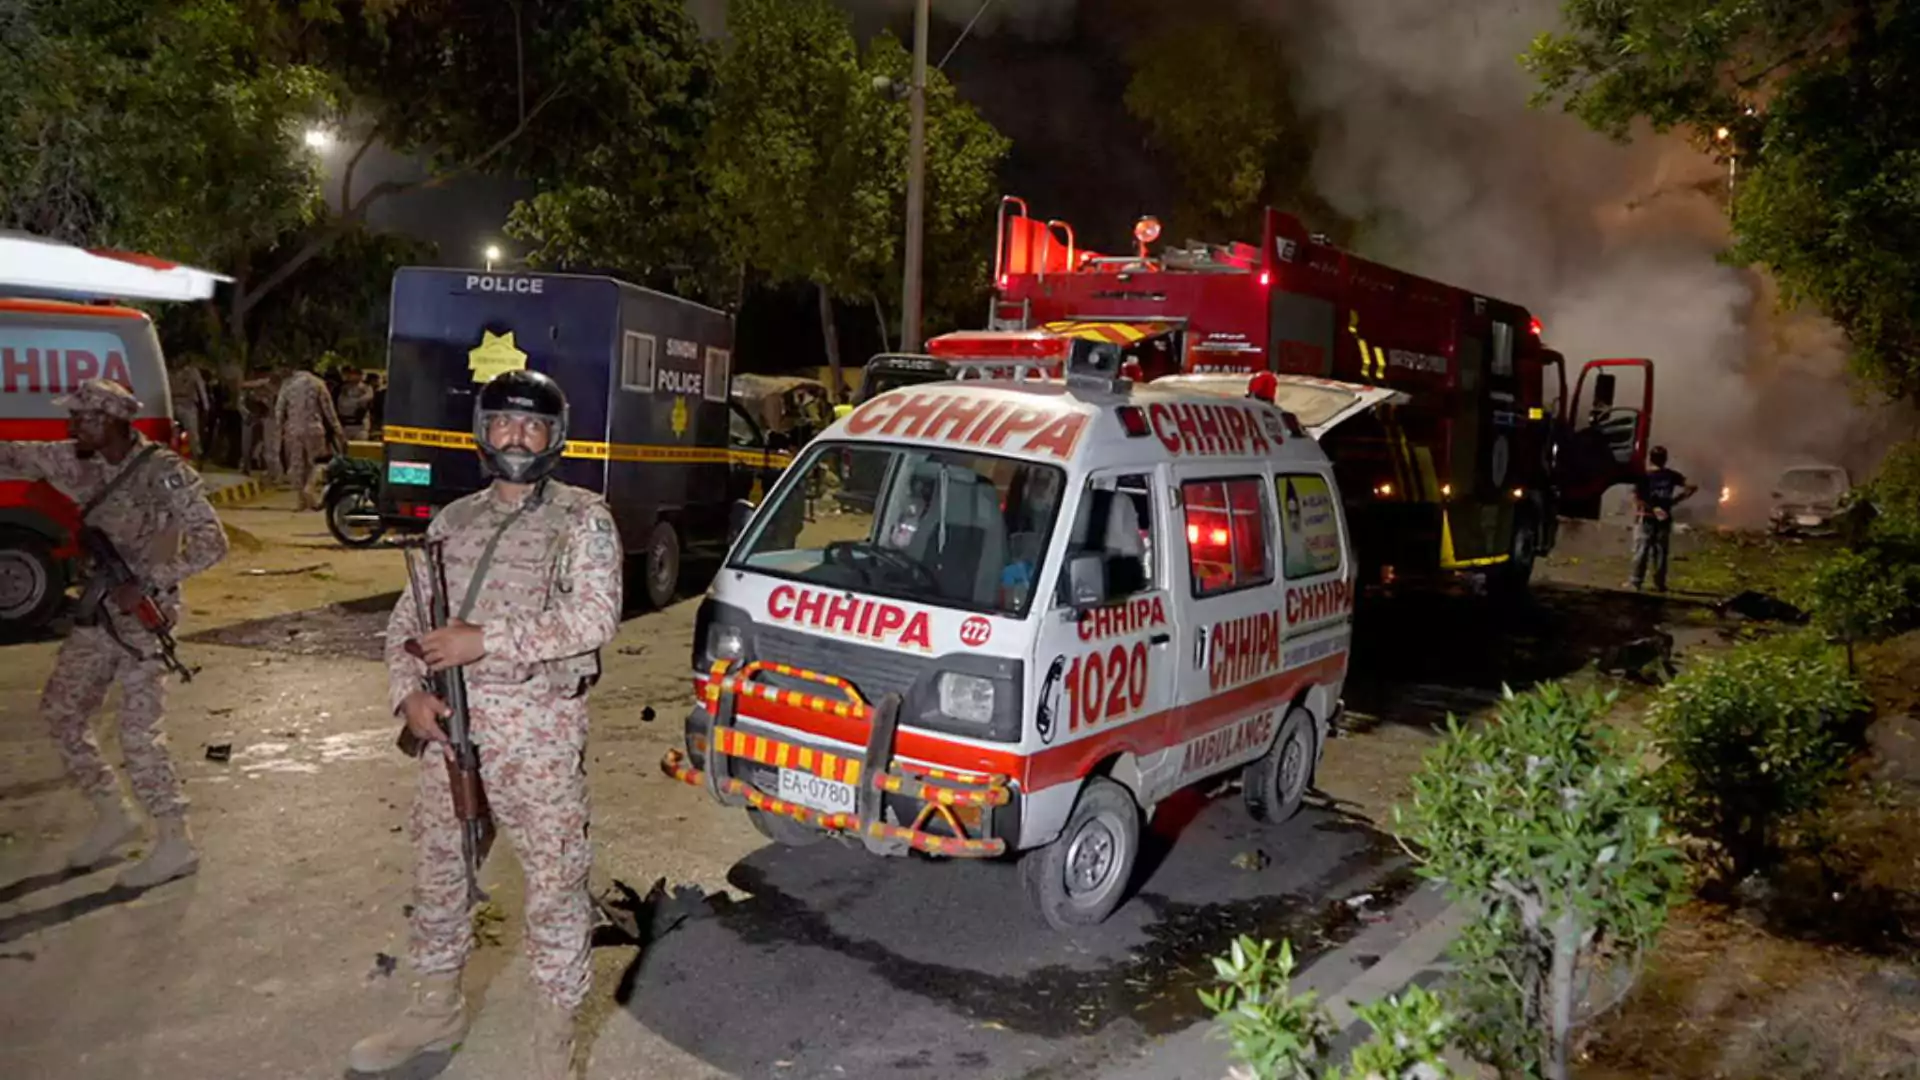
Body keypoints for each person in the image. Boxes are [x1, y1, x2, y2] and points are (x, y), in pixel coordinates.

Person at [350, 369, 622, 1080]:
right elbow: (408, 620)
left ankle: (552, 1048)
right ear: (483, 429)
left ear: (554, 437)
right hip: (449, 730)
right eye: (504, 422)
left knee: (556, 889)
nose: (517, 437)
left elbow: (595, 617)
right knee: (441, 877)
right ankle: (434, 1010)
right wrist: (407, 694)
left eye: (532, 426)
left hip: (537, 732)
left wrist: (487, 639)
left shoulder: (582, 518)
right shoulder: (454, 521)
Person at [0, 379, 228, 886]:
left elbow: (215, 543)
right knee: (61, 710)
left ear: (108, 421)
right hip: (99, 611)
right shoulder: (75, 461)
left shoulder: (164, 473)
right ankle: (113, 812)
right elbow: (14, 456)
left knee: (137, 732)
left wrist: (150, 579)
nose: (70, 425)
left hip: (148, 615)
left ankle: (175, 840)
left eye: (80, 417)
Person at [274, 366, 345, 511]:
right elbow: (328, 409)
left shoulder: (287, 384)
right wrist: (338, 430)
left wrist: (280, 429)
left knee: (297, 464)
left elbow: (279, 410)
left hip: (293, 429)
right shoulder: (318, 383)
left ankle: (301, 500)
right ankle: (310, 488)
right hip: (314, 428)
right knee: (317, 463)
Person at [1629, 445, 1698, 592]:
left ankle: (1635, 582)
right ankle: (1659, 583)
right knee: (1660, 552)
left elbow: (1637, 497)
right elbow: (1692, 487)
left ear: (1650, 458)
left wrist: (1651, 508)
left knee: (1641, 550)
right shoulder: (1671, 475)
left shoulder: (1644, 476)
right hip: (1664, 517)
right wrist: (1674, 501)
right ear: (1665, 459)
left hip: (1646, 517)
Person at [168, 361, 210, 462]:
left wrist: (206, 405)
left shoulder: (192, 372)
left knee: (192, 433)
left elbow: (201, 388)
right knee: (172, 433)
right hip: (172, 403)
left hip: (188, 404)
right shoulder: (169, 371)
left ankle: (196, 456)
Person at [336, 366, 375, 442]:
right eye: (352, 374)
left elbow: (365, 401)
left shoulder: (366, 388)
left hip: (360, 425)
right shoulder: (343, 388)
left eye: (357, 374)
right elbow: (341, 403)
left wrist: (353, 402)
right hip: (345, 425)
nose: (354, 376)